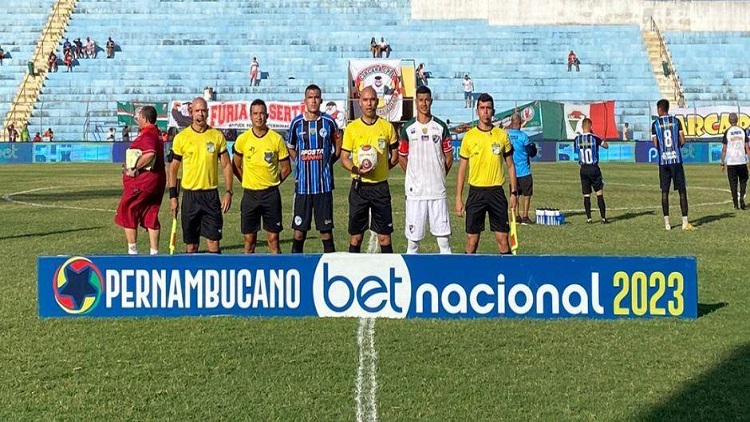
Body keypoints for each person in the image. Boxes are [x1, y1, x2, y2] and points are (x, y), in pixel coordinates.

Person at [168, 97, 234, 253]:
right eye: (197, 111)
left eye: (204, 111)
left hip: (211, 196)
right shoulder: (181, 138)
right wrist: (173, 197)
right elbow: (173, 169)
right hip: (190, 197)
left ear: (208, 113)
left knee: (213, 243)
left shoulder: (216, 136)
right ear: (191, 112)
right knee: (191, 246)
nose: (201, 114)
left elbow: (226, 165)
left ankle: (215, 275)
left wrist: (229, 192)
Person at [455, 93, 518, 254]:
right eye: (482, 108)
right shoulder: (469, 137)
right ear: (477, 111)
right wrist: (458, 198)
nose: (485, 112)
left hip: (496, 192)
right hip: (476, 192)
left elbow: (510, 166)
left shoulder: (502, 135)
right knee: (472, 241)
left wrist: (513, 193)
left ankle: (510, 276)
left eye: (488, 108)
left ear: (493, 111)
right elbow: (462, 169)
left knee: (503, 240)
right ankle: (468, 278)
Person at [340, 86, 399, 253]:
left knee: (384, 237)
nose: (369, 103)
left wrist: (381, 168)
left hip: (380, 187)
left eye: (372, 99)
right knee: (356, 236)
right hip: (359, 187)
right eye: (365, 100)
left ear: (377, 102)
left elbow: (394, 156)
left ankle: (389, 271)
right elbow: (344, 158)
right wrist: (357, 170)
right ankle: (353, 273)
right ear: (360, 102)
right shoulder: (352, 128)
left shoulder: (386, 127)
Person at [398, 85, 453, 254]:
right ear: (416, 102)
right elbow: (402, 157)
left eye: (427, 100)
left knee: (444, 242)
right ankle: (412, 278)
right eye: (421, 100)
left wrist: (439, 174)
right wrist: (413, 176)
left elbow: (449, 157)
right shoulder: (407, 128)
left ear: (431, 101)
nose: (424, 104)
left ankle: (447, 277)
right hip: (416, 193)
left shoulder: (440, 127)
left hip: (437, 190)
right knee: (413, 243)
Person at [286, 84, 341, 253]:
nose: (313, 100)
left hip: (323, 187)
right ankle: (297, 269)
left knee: (326, 232)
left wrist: (328, 161)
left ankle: (330, 269)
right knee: (299, 232)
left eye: (316, 97)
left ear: (321, 100)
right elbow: (290, 146)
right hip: (303, 187)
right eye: (310, 97)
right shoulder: (296, 123)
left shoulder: (329, 122)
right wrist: (300, 163)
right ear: (305, 101)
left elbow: (338, 145)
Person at [232, 99, 291, 254]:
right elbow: (235, 166)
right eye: (255, 114)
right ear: (250, 116)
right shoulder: (243, 139)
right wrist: (247, 180)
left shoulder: (276, 139)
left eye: (262, 113)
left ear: (267, 115)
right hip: (250, 195)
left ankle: (277, 273)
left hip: (270, 195)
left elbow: (286, 169)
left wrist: (273, 183)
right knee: (249, 241)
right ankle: (248, 273)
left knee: (273, 240)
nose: (259, 117)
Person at [114, 106, 167, 255]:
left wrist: (134, 167)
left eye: (138, 118)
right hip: (157, 181)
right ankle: (154, 252)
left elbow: (150, 154)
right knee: (151, 214)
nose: (137, 121)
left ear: (144, 118)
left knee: (128, 209)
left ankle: (132, 252)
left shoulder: (148, 135)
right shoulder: (156, 134)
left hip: (144, 182)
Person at [652, 98, 693, 231]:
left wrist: (664, 151)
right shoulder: (676, 121)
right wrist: (676, 148)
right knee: (682, 191)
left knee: (664, 192)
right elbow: (682, 140)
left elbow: (655, 144)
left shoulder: (655, 124)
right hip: (676, 161)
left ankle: (667, 223)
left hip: (663, 162)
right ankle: (684, 222)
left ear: (659, 109)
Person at [574, 118, 609, 224]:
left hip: (583, 168)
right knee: (599, 194)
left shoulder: (577, 139)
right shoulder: (594, 137)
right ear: (590, 126)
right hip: (593, 168)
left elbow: (576, 151)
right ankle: (603, 218)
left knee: (586, 195)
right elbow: (606, 146)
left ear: (582, 126)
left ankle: (589, 218)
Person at [507, 113, 534, 225]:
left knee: (515, 194)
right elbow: (531, 152)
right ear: (520, 123)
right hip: (524, 170)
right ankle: (525, 216)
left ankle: (516, 216)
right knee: (527, 195)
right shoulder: (523, 136)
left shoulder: (507, 135)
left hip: (512, 171)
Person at [720, 113, 750, 210]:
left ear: (729, 121)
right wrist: (749, 159)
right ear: (737, 120)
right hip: (741, 160)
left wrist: (722, 162)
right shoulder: (742, 131)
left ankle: (735, 204)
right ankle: (741, 197)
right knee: (743, 180)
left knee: (733, 183)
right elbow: (747, 147)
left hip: (731, 162)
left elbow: (724, 149)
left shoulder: (727, 132)